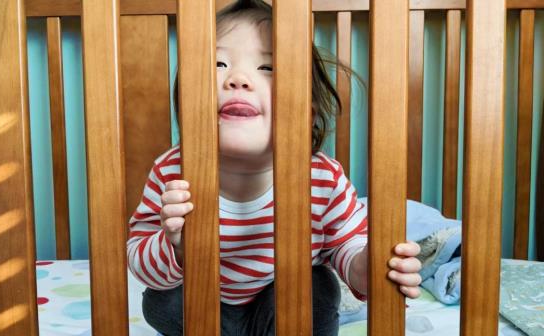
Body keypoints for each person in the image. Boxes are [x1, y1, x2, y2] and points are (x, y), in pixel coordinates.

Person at [127, 1, 422, 335]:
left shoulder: (322, 178)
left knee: (319, 286)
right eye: (219, 64)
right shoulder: (171, 172)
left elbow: (347, 245)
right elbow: (140, 264)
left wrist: (366, 268)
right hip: (203, 315)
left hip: (285, 311)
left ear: (306, 113)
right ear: (186, 100)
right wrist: (175, 247)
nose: (238, 79)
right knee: (160, 300)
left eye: (267, 68)